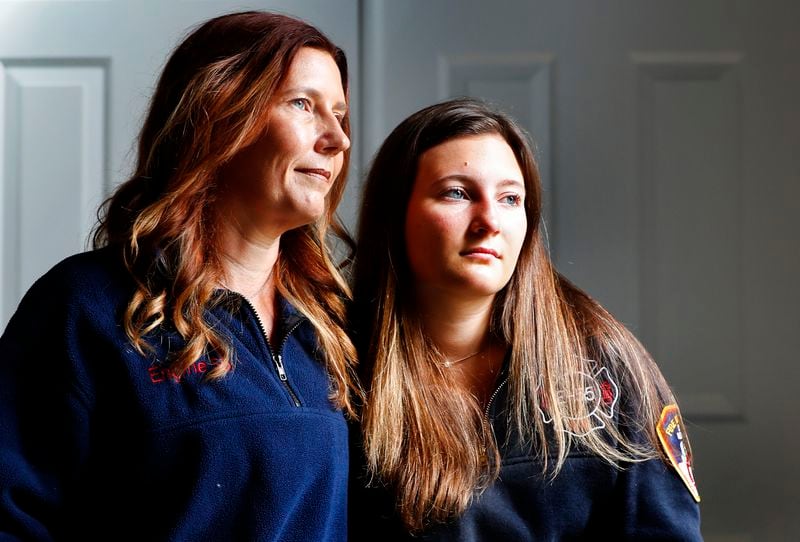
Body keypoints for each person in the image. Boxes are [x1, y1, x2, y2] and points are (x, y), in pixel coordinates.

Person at [0, 11, 360, 540]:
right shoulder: (85, 308)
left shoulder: (335, 326)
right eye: (303, 105)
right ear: (217, 113)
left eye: (340, 114)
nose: (337, 139)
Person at [349, 98, 702, 540]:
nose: (489, 221)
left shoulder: (604, 367)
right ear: (395, 213)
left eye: (510, 198)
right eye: (457, 193)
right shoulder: (338, 366)